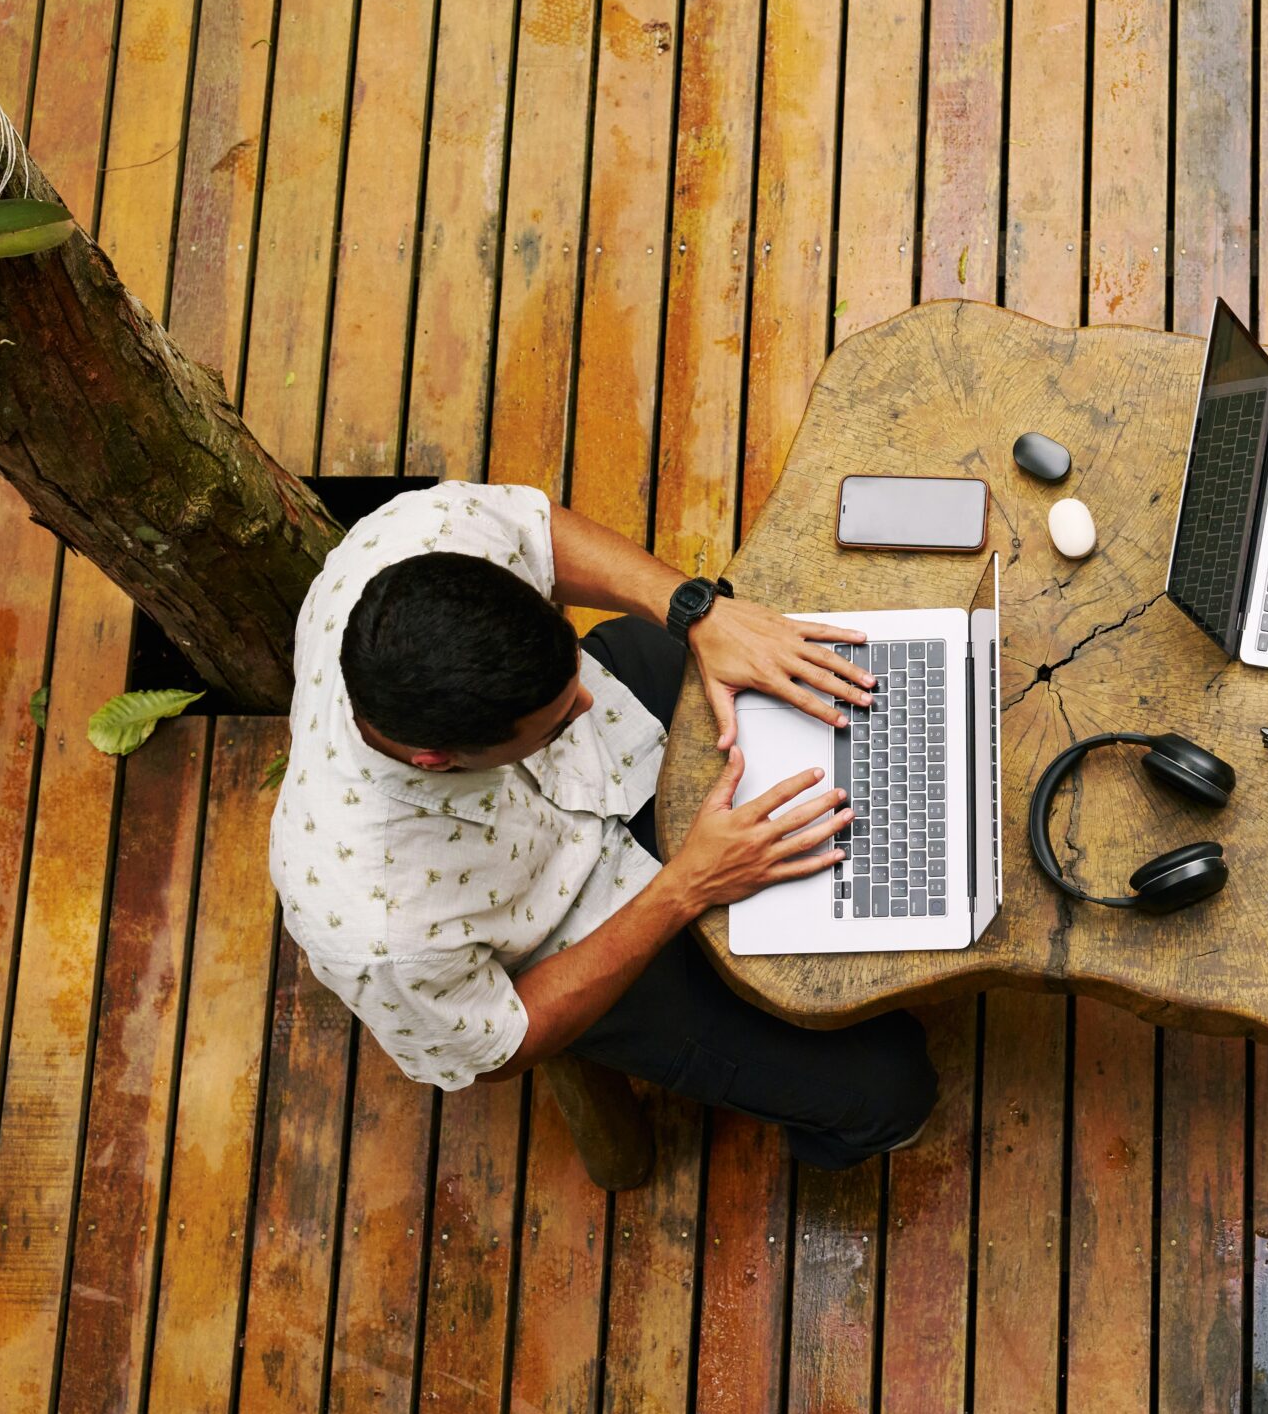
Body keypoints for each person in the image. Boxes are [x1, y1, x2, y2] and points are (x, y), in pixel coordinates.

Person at [268, 480, 937, 1168]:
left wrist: (695, 614)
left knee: (867, 674)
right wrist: (685, 887)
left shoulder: (416, 536)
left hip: (627, 737)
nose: (585, 702)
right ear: (438, 760)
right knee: (889, 1089)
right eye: (558, 720)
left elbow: (535, 531)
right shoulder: (378, 932)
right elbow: (505, 1041)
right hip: (581, 931)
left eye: (571, 673)